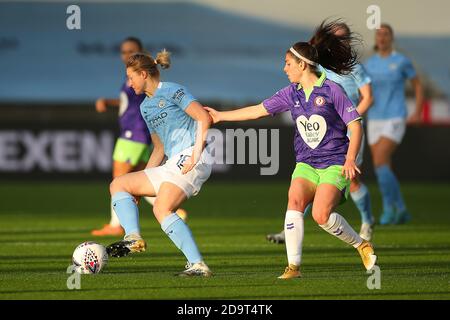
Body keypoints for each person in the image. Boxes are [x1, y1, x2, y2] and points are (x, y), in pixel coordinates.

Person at [206, 21, 377, 279]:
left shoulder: (332, 90)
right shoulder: (290, 93)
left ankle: (361, 244)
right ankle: (293, 268)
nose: (284, 68)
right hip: (306, 163)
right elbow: (257, 110)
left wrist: (350, 158)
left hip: (334, 163)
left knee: (321, 215)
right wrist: (220, 116)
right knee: (294, 201)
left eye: (288, 63)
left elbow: (355, 125)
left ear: (302, 64)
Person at [106, 50, 213, 277]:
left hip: (193, 157)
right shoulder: (145, 106)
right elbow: (159, 148)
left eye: (131, 77)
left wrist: (195, 154)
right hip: (172, 161)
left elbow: (204, 117)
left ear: (143, 74)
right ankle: (133, 238)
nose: (129, 82)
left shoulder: (173, 90)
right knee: (120, 184)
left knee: (161, 208)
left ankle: (197, 264)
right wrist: (142, 182)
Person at [266, 22, 375, 243]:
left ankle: (367, 221)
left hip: (349, 130)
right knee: (308, 180)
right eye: (336, 37)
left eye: (343, 38)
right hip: (325, 131)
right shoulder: (318, 68)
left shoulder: (354, 68)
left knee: (351, 181)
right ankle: (290, 230)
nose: (339, 41)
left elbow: (368, 97)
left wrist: (349, 120)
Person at [91, 37, 187, 236]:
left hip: (133, 133)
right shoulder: (133, 77)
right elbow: (130, 103)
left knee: (120, 179)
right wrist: (110, 103)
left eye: (131, 51)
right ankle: (172, 206)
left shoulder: (140, 77)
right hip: (138, 133)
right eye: (124, 51)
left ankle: (116, 225)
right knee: (138, 179)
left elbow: (145, 101)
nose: (126, 55)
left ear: (141, 51)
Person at [364, 23, 424, 225]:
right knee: (382, 166)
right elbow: (364, 90)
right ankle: (400, 209)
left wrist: (417, 111)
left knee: (380, 161)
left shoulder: (401, 61)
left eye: (385, 34)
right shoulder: (370, 64)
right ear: (376, 39)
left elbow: (417, 85)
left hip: (395, 116)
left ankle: (390, 208)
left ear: (391, 38)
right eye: (378, 34)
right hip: (375, 118)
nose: (382, 38)